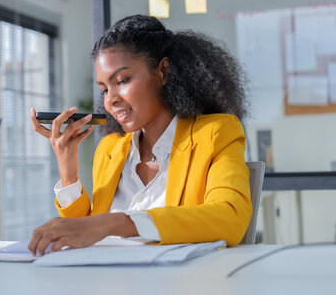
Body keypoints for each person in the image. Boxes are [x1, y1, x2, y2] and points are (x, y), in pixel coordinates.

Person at [29, 14, 252, 256]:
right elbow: (84, 232)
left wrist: (118, 223)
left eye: (122, 80)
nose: (111, 100)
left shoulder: (215, 133)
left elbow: (230, 217)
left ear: (163, 71)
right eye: (104, 89)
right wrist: (67, 171)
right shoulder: (110, 149)